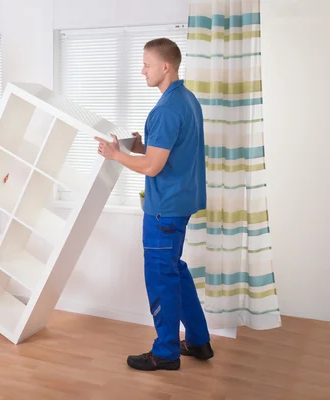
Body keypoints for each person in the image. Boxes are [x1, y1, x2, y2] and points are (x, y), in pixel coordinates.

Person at [95, 38, 214, 371]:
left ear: (165, 67)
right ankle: (199, 341)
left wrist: (116, 154)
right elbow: (167, 152)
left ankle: (165, 352)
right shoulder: (187, 100)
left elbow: (152, 167)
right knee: (176, 270)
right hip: (182, 203)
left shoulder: (164, 110)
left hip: (164, 209)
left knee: (162, 277)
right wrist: (144, 146)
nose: (142, 70)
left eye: (147, 64)